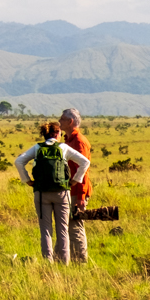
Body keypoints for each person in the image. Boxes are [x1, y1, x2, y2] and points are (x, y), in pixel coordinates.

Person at [14, 120, 90, 263]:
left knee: (46, 230)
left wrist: (28, 180)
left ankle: (47, 263)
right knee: (63, 230)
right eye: (60, 133)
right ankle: (64, 263)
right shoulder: (63, 148)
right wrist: (75, 180)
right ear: (56, 134)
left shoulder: (37, 148)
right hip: (62, 192)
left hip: (41, 193)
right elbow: (85, 162)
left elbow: (19, 162)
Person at [60, 108, 92, 264]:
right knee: (67, 227)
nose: (59, 121)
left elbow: (83, 170)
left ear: (70, 122)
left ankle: (80, 262)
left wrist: (80, 196)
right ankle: (65, 260)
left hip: (77, 192)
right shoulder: (68, 140)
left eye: (62, 119)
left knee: (75, 227)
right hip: (70, 191)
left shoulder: (78, 141)